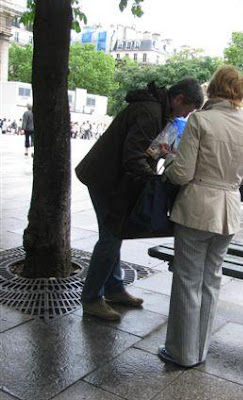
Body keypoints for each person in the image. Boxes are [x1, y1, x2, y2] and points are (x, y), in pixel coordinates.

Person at [75, 77, 204, 321]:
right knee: (110, 237)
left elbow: (144, 151)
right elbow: (133, 158)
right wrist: (156, 181)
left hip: (110, 178)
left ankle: (114, 289)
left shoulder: (158, 110)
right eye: (189, 110)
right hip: (106, 180)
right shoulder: (150, 112)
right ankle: (92, 298)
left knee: (115, 233)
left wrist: (160, 153)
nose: (187, 116)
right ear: (179, 100)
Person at [158, 66, 243, 367]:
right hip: (229, 211)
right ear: (239, 93)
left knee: (188, 281)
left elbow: (182, 174)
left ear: (212, 88)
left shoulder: (200, 120)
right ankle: (200, 351)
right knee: (211, 282)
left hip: (197, 209)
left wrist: (169, 157)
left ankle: (182, 353)